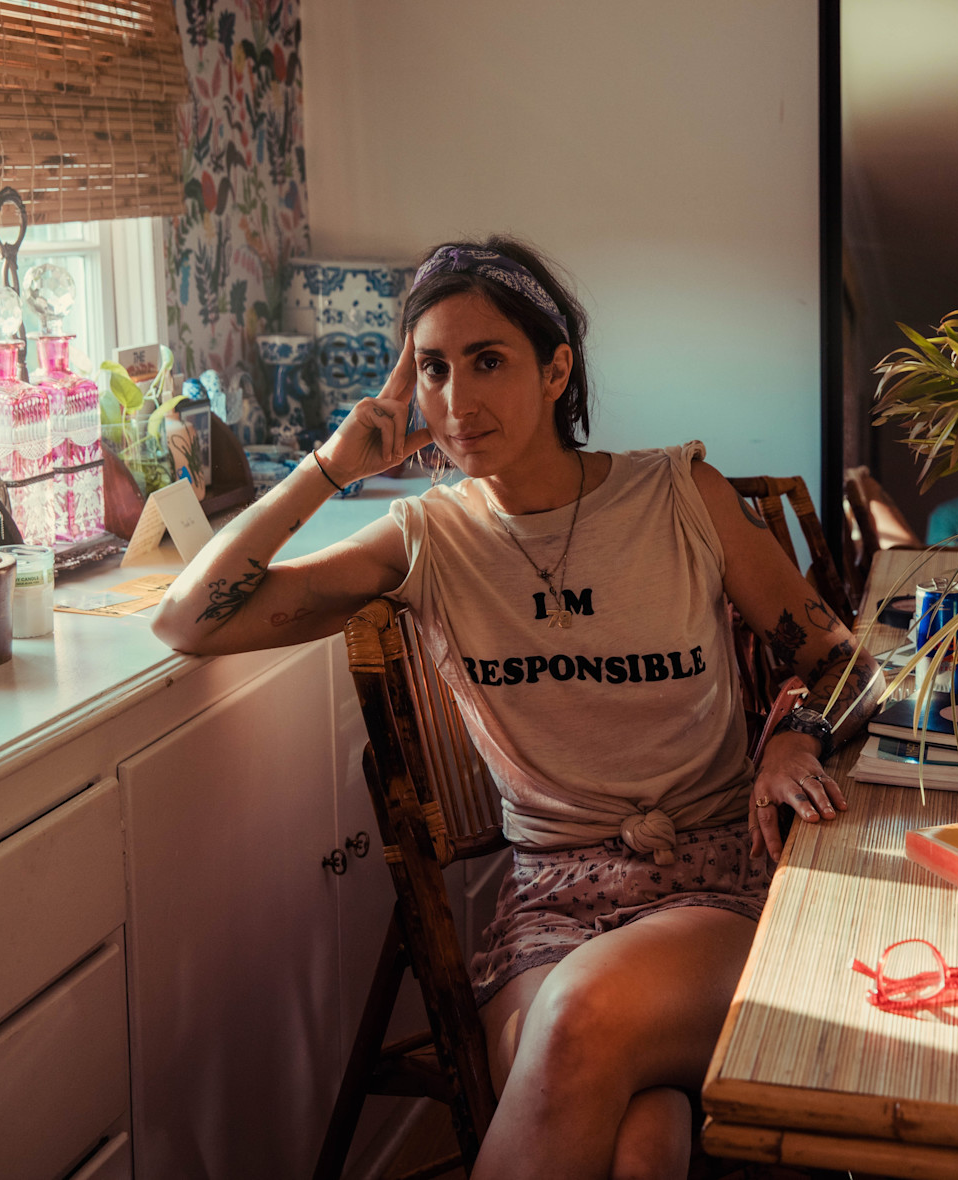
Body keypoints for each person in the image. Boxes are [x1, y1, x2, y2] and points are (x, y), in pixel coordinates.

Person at [151, 237, 883, 1180]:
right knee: (641, 1144)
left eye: (488, 360)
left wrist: (795, 738)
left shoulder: (678, 495)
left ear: (556, 370)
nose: (457, 399)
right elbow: (189, 621)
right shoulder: (426, 537)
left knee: (578, 1022)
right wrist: (331, 467)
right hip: (549, 908)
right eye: (433, 369)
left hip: (714, 883)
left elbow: (845, 664)